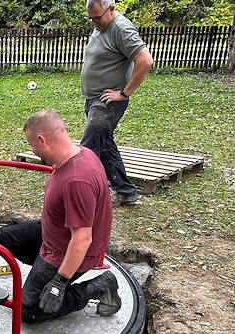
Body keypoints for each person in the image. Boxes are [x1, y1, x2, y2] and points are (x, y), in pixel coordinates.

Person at [0, 109, 121, 323]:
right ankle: (42, 273)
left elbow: (82, 239)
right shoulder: (80, 152)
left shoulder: (76, 180)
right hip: (54, 235)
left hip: (67, 250)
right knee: (6, 237)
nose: (33, 151)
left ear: (42, 140)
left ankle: (100, 286)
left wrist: (59, 283)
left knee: (27, 312)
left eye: (32, 145)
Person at [80, 0, 154, 206]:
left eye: (97, 18)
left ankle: (82, 197)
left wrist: (123, 93)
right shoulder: (102, 25)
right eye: (90, 18)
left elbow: (145, 60)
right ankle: (126, 192)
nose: (94, 22)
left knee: (88, 148)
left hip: (106, 102)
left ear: (111, 9)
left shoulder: (121, 28)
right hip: (95, 98)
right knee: (104, 146)